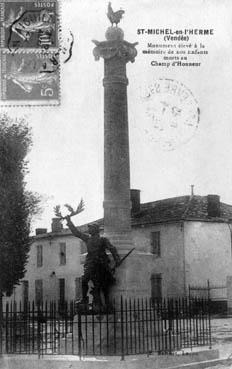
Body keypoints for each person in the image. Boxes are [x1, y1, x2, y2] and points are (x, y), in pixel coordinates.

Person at [66, 216, 120, 306]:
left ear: (95, 229)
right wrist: (69, 221)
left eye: (90, 228)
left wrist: (117, 259)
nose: (89, 230)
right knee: (84, 280)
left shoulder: (103, 239)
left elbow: (112, 249)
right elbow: (76, 233)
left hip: (101, 264)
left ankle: (106, 304)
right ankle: (84, 299)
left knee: (103, 285)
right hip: (90, 264)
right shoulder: (88, 238)